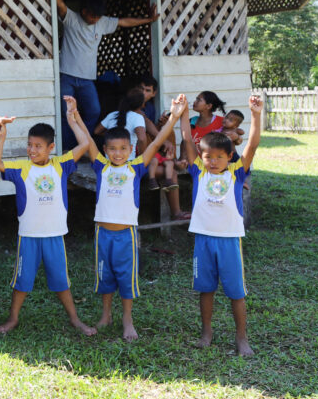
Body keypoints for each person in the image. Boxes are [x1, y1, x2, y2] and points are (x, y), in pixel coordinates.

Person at [74, 94, 186, 341]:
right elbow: (87, 139)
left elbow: (156, 143)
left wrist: (175, 116)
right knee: (105, 276)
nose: (117, 153)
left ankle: (127, 319)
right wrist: (75, 114)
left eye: (123, 148)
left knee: (126, 277)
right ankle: (106, 315)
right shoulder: (101, 166)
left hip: (126, 235)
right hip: (103, 234)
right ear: (105, 150)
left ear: (131, 149)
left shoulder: (135, 167)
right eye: (112, 149)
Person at [0, 96, 96, 336]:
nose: (32, 150)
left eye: (38, 146)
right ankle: (13, 319)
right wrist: (2, 135)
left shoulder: (60, 164)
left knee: (61, 281)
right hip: (28, 235)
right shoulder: (21, 168)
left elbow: (84, 143)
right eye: (30, 145)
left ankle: (74, 320)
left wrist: (72, 118)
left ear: (51, 148)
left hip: (54, 235)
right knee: (22, 281)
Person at [180, 95, 263, 357]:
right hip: (203, 239)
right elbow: (185, 137)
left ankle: (242, 337)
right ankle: (207, 332)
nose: (213, 161)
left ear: (229, 156)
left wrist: (256, 114)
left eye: (219, 157)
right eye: (208, 156)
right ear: (201, 157)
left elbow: (253, 144)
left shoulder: (236, 173)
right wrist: (182, 112)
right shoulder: (198, 172)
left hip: (229, 240)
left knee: (236, 292)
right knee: (206, 288)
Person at [55, 0, 158, 149]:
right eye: (93, 16)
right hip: (66, 76)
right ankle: (67, 149)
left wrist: (148, 20)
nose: (96, 19)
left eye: (98, 16)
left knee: (94, 111)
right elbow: (60, 3)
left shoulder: (102, 22)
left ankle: (82, 144)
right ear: (84, 11)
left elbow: (124, 22)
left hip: (87, 79)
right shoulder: (71, 18)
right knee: (64, 114)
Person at [95, 88, 148, 161]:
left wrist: (112, 134)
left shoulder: (112, 115)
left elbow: (97, 131)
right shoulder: (138, 117)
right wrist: (142, 158)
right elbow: (142, 139)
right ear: (142, 104)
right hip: (128, 162)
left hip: (109, 161)